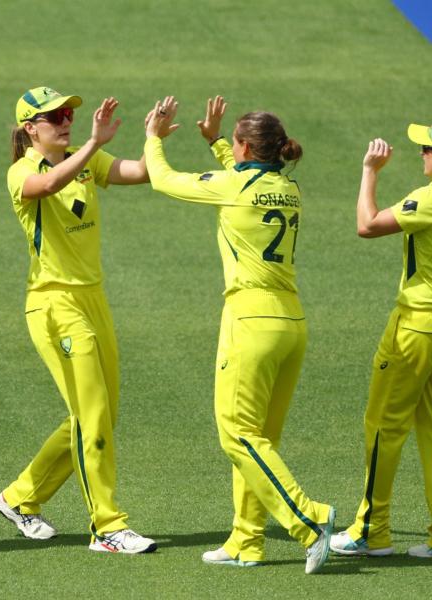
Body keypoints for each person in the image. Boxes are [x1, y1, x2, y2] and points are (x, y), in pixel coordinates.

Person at [144, 95, 335, 574]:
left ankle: (310, 520)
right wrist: (214, 143)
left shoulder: (233, 186)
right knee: (260, 440)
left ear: (246, 146)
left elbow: (164, 180)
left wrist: (153, 138)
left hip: (250, 322)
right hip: (291, 322)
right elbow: (244, 178)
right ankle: (246, 541)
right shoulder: (288, 189)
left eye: (233, 141)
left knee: (237, 437)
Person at [0, 86, 156, 554]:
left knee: (99, 414)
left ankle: (19, 497)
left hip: (93, 300)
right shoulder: (21, 171)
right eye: (55, 116)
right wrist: (93, 143)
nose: (66, 121)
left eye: (68, 114)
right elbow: (46, 186)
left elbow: (141, 172)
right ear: (30, 129)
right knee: (93, 415)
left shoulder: (82, 159)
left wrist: (153, 137)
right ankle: (107, 527)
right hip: (54, 305)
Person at [329, 118, 432, 559]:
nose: (421, 153)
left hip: (419, 328)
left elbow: (367, 225)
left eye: (426, 148)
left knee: (383, 428)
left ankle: (371, 531)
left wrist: (370, 171)